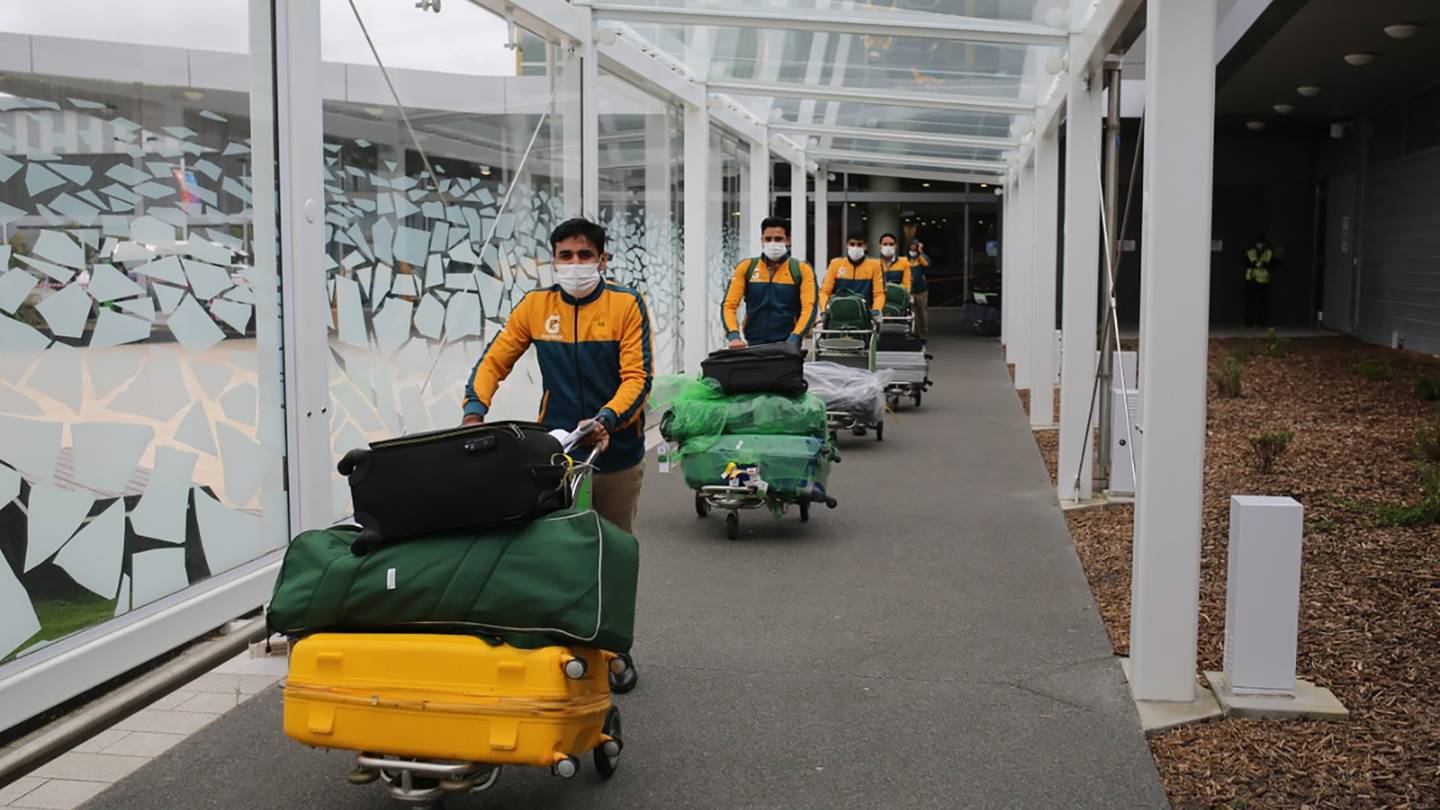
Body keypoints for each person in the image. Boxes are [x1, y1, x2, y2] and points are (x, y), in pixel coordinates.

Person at [462, 217, 651, 692]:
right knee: (553, 549)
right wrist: (473, 410)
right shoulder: (535, 306)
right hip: (557, 452)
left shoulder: (625, 305)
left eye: (584, 255)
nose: (574, 264)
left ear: (602, 260)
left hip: (617, 449)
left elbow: (638, 378)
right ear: (553, 260)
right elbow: (496, 358)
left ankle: (612, 649)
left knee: (612, 551)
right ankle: (557, 641)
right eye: (564, 256)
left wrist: (607, 419)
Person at [722, 217, 817, 348]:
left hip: (788, 346)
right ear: (762, 240)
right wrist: (733, 336)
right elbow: (729, 305)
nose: (773, 243)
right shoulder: (746, 267)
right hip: (753, 344)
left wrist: (796, 337)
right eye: (768, 239)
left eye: (778, 239)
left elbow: (810, 307)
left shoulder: (801, 270)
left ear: (788, 240)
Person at [819, 233, 886, 319]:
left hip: (864, 316)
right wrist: (825, 310)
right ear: (847, 245)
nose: (855, 247)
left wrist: (876, 310)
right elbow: (825, 291)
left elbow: (879, 293)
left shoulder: (875, 265)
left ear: (865, 246)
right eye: (852, 244)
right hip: (837, 315)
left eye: (859, 244)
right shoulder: (835, 264)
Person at [1244, 234, 1274, 328]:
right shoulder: (1251, 252)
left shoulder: (1268, 253)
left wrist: (1263, 265)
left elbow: (1272, 264)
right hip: (1252, 279)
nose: (1260, 245)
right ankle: (1249, 322)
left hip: (1263, 280)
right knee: (1250, 302)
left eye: (1261, 243)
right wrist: (1255, 264)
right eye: (1259, 243)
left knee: (1262, 303)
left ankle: (1261, 322)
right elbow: (1245, 263)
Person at [908, 239, 931, 341]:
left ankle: (923, 334)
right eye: (912, 245)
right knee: (907, 313)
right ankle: (908, 332)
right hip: (908, 290)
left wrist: (920, 252)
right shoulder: (904, 258)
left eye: (916, 245)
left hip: (921, 290)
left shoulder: (920, 257)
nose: (914, 247)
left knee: (922, 312)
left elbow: (927, 264)